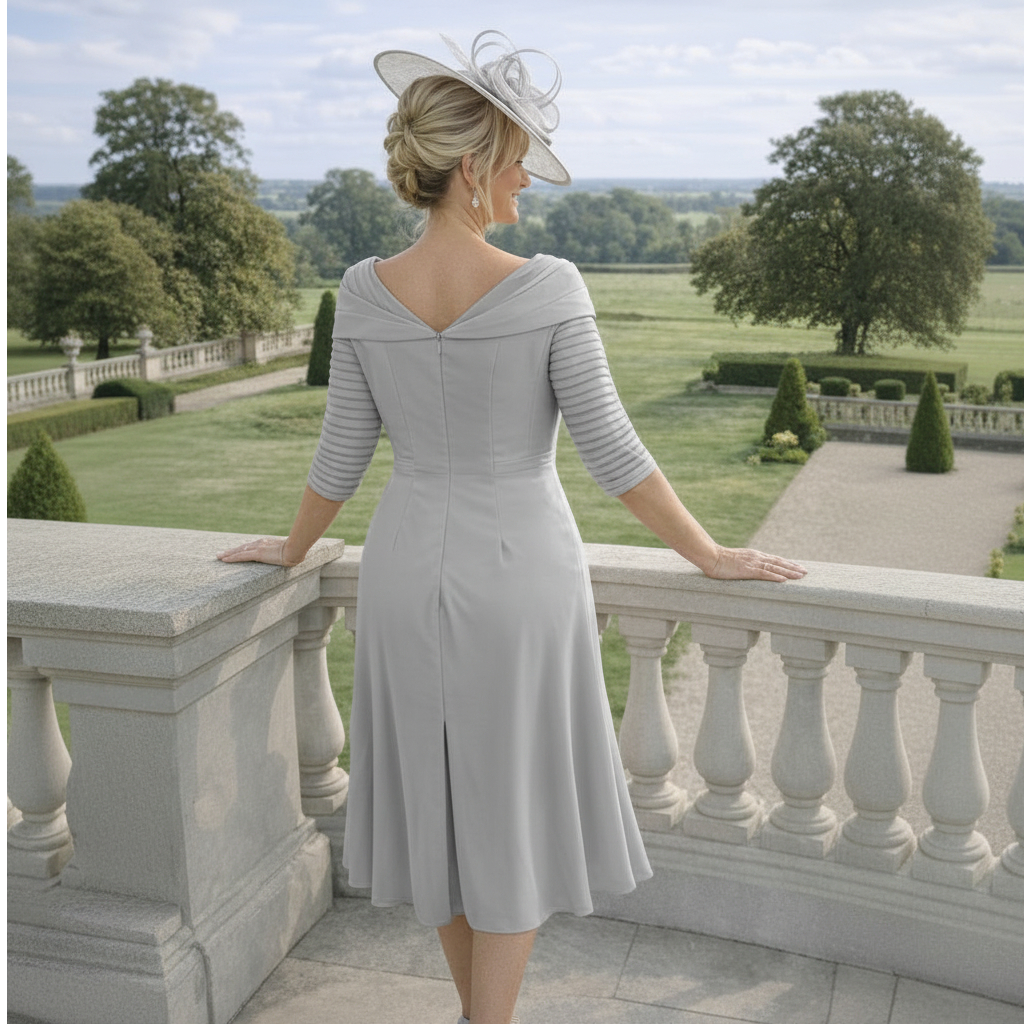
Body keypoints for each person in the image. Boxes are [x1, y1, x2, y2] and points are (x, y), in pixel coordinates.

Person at [218, 30, 807, 1024]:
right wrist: (707, 554)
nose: (527, 178)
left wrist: (291, 546)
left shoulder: (361, 290)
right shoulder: (549, 286)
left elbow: (341, 455)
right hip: (522, 572)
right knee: (514, 813)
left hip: (405, 571)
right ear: (475, 167)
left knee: (443, 814)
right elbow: (614, 453)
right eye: (518, 158)